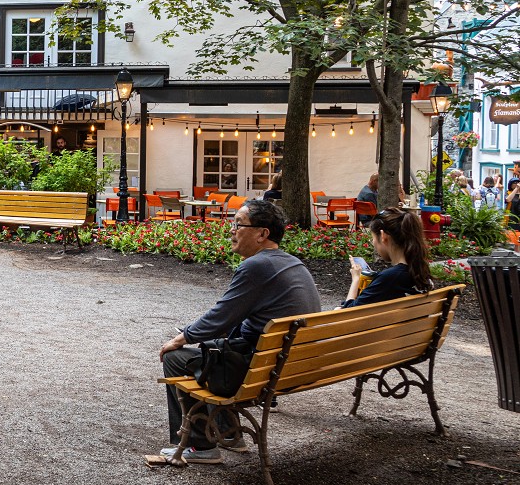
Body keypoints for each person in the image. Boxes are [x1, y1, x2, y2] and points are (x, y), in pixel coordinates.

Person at [148, 199, 321, 465]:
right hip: (289, 363)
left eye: (238, 225)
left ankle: (200, 445)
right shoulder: (291, 263)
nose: (231, 230)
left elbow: (221, 317)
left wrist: (180, 338)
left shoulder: (257, 266)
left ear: (262, 234)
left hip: (262, 369)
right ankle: (229, 434)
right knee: (218, 348)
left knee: (175, 358)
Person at [342, 209, 432, 307]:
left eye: (373, 238)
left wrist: (356, 279)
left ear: (383, 236)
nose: (373, 242)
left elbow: (347, 313)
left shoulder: (390, 278)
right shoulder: (421, 271)